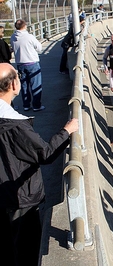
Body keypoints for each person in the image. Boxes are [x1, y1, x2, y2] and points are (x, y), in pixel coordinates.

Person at [0, 62, 79, 266]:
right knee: (26, 250)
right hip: (19, 197)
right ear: (13, 85)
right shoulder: (14, 125)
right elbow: (45, 154)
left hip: (5, 196)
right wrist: (67, 131)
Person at [10, 19, 45, 112]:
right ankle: (36, 105)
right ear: (25, 26)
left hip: (20, 64)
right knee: (36, 85)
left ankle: (26, 105)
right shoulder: (29, 37)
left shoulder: (13, 37)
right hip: (32, 63)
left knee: (24, 86)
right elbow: (39, 48)